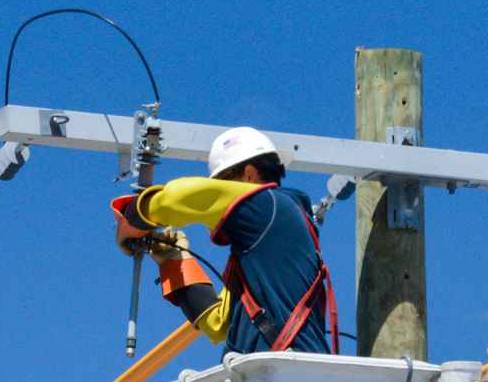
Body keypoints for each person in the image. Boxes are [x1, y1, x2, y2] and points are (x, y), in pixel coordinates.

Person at [112, 126, 336, 356]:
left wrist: (131, 218)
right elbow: (218, 325)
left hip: (288, 372)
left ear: (249, 175)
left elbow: (174, 199)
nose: (220, 194)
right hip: (280, 373)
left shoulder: (267, 204)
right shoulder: (263, 250)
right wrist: (174, 260)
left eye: (223, 184)